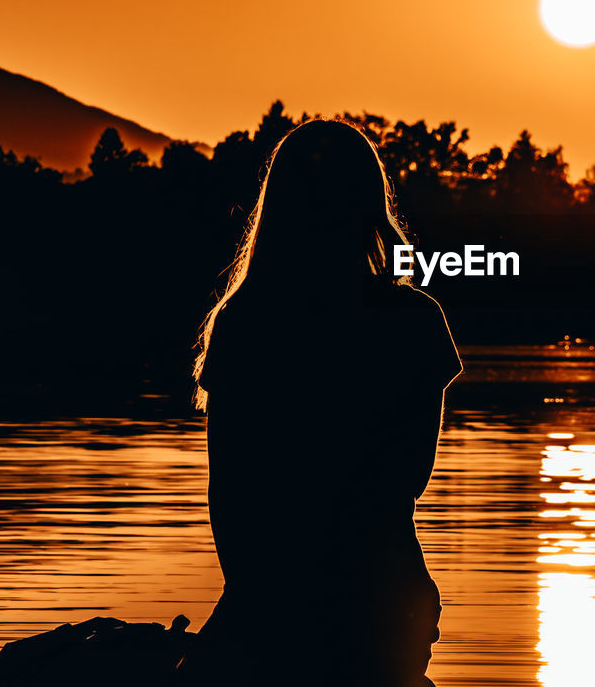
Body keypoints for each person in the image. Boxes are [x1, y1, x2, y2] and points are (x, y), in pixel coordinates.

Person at [173, 119, 462, 686]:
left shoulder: (247, 321)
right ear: (369, 205)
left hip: (271, 597)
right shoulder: (413, 323)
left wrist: (254, 611)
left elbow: (228, 494)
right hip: (385, 594)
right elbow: (408, 476)